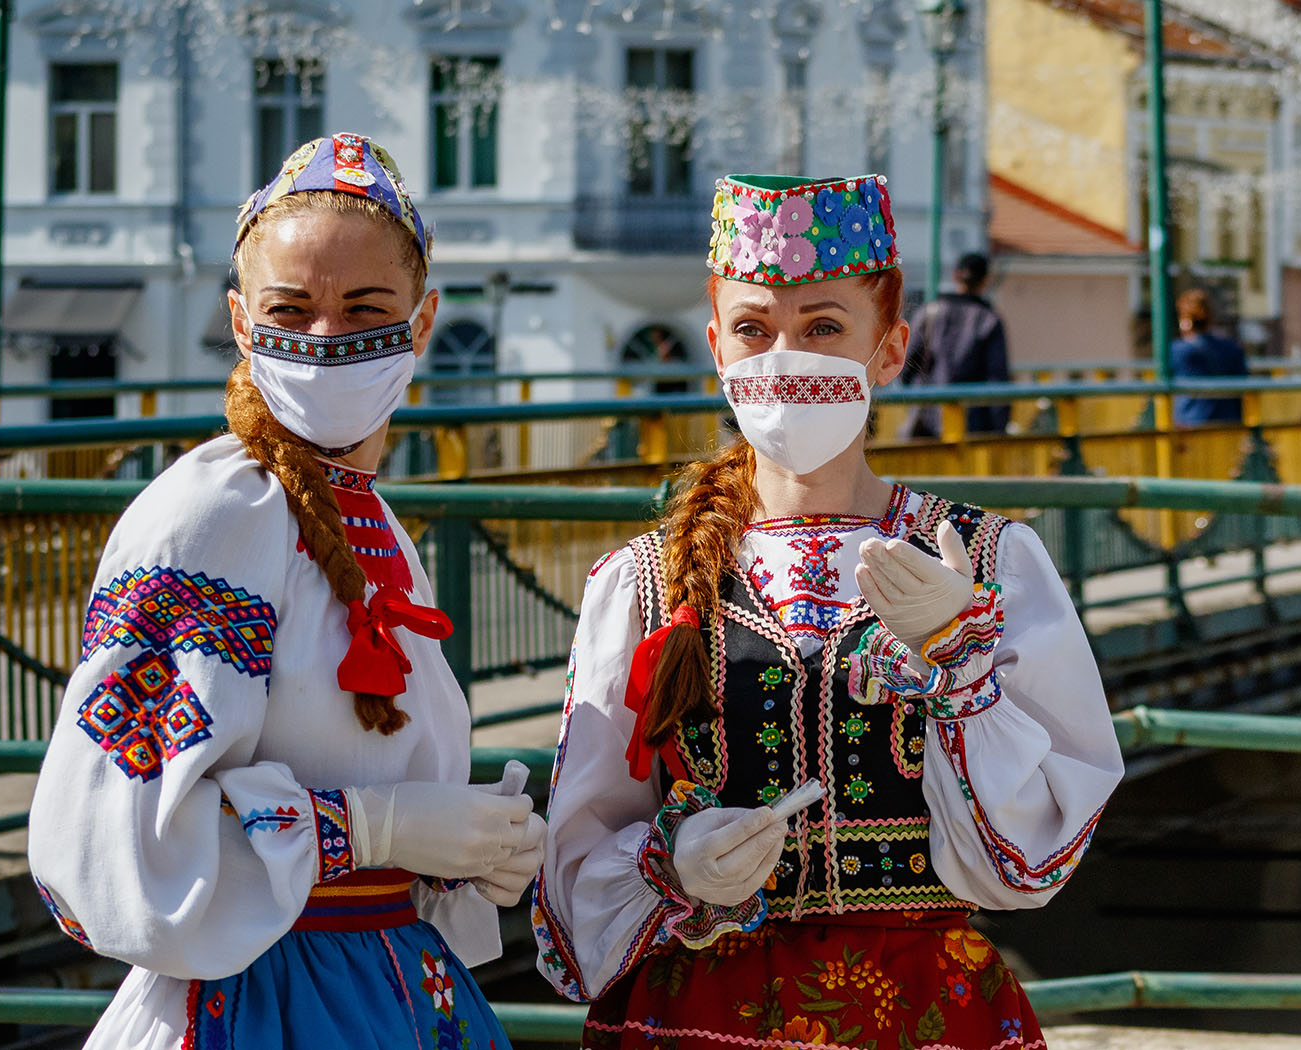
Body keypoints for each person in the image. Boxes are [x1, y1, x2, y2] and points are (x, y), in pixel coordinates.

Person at [533, 173, 1123, 1049]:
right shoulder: (642, 581)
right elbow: (573, 881)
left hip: (923, 1011)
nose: (784, 357)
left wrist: (964, 672)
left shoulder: (992, 562)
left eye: (821, 328)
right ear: (717, 350)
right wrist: (673, 863)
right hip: (702, 1014)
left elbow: (1033, 863)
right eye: (752, 329)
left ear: (888, 350)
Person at [28, 133, 545, 1050]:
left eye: (365, 308)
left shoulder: (372, 520)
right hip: (260, 1001)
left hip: (384, 983)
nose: (325, 338)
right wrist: (377, 828)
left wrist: (466, 856)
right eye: (291, 308)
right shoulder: (208, 514)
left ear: (421, 323)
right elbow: (113, 834)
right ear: (240, 319)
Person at [901, 251, 1011, 437]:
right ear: (986, 280)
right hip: (972, 430)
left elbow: (906, 369)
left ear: (955, 276)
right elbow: (997, 381)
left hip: (926, 425)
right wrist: (998, 430)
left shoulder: (929, 313)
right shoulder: (989, 320)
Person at [1170, 288, 1248, 426]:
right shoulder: (1231, 348)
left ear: (1185, 320)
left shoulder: (1177, 351)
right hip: (1228, 424)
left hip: (1190, 424)